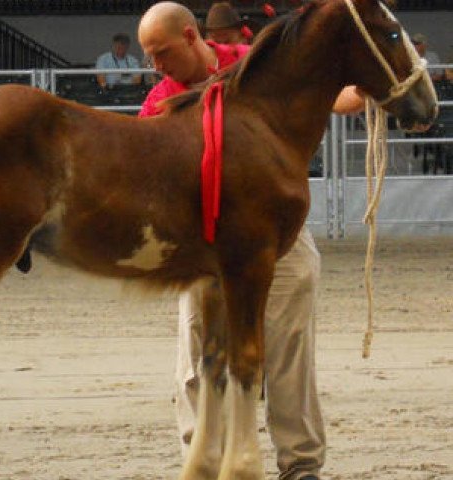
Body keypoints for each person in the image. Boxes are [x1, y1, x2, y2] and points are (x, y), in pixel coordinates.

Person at [138, 3, 364, 480]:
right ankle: (205, 458)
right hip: (204, 239)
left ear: (190, 35)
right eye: (148, 56)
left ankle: (300, 462)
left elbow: (325, 95)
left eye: (161, 53)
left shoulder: (252, 59)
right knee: (198, 344)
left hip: (274, 230)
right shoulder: (159, 99)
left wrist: (354, 93)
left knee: (289, 344)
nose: (155, 65)